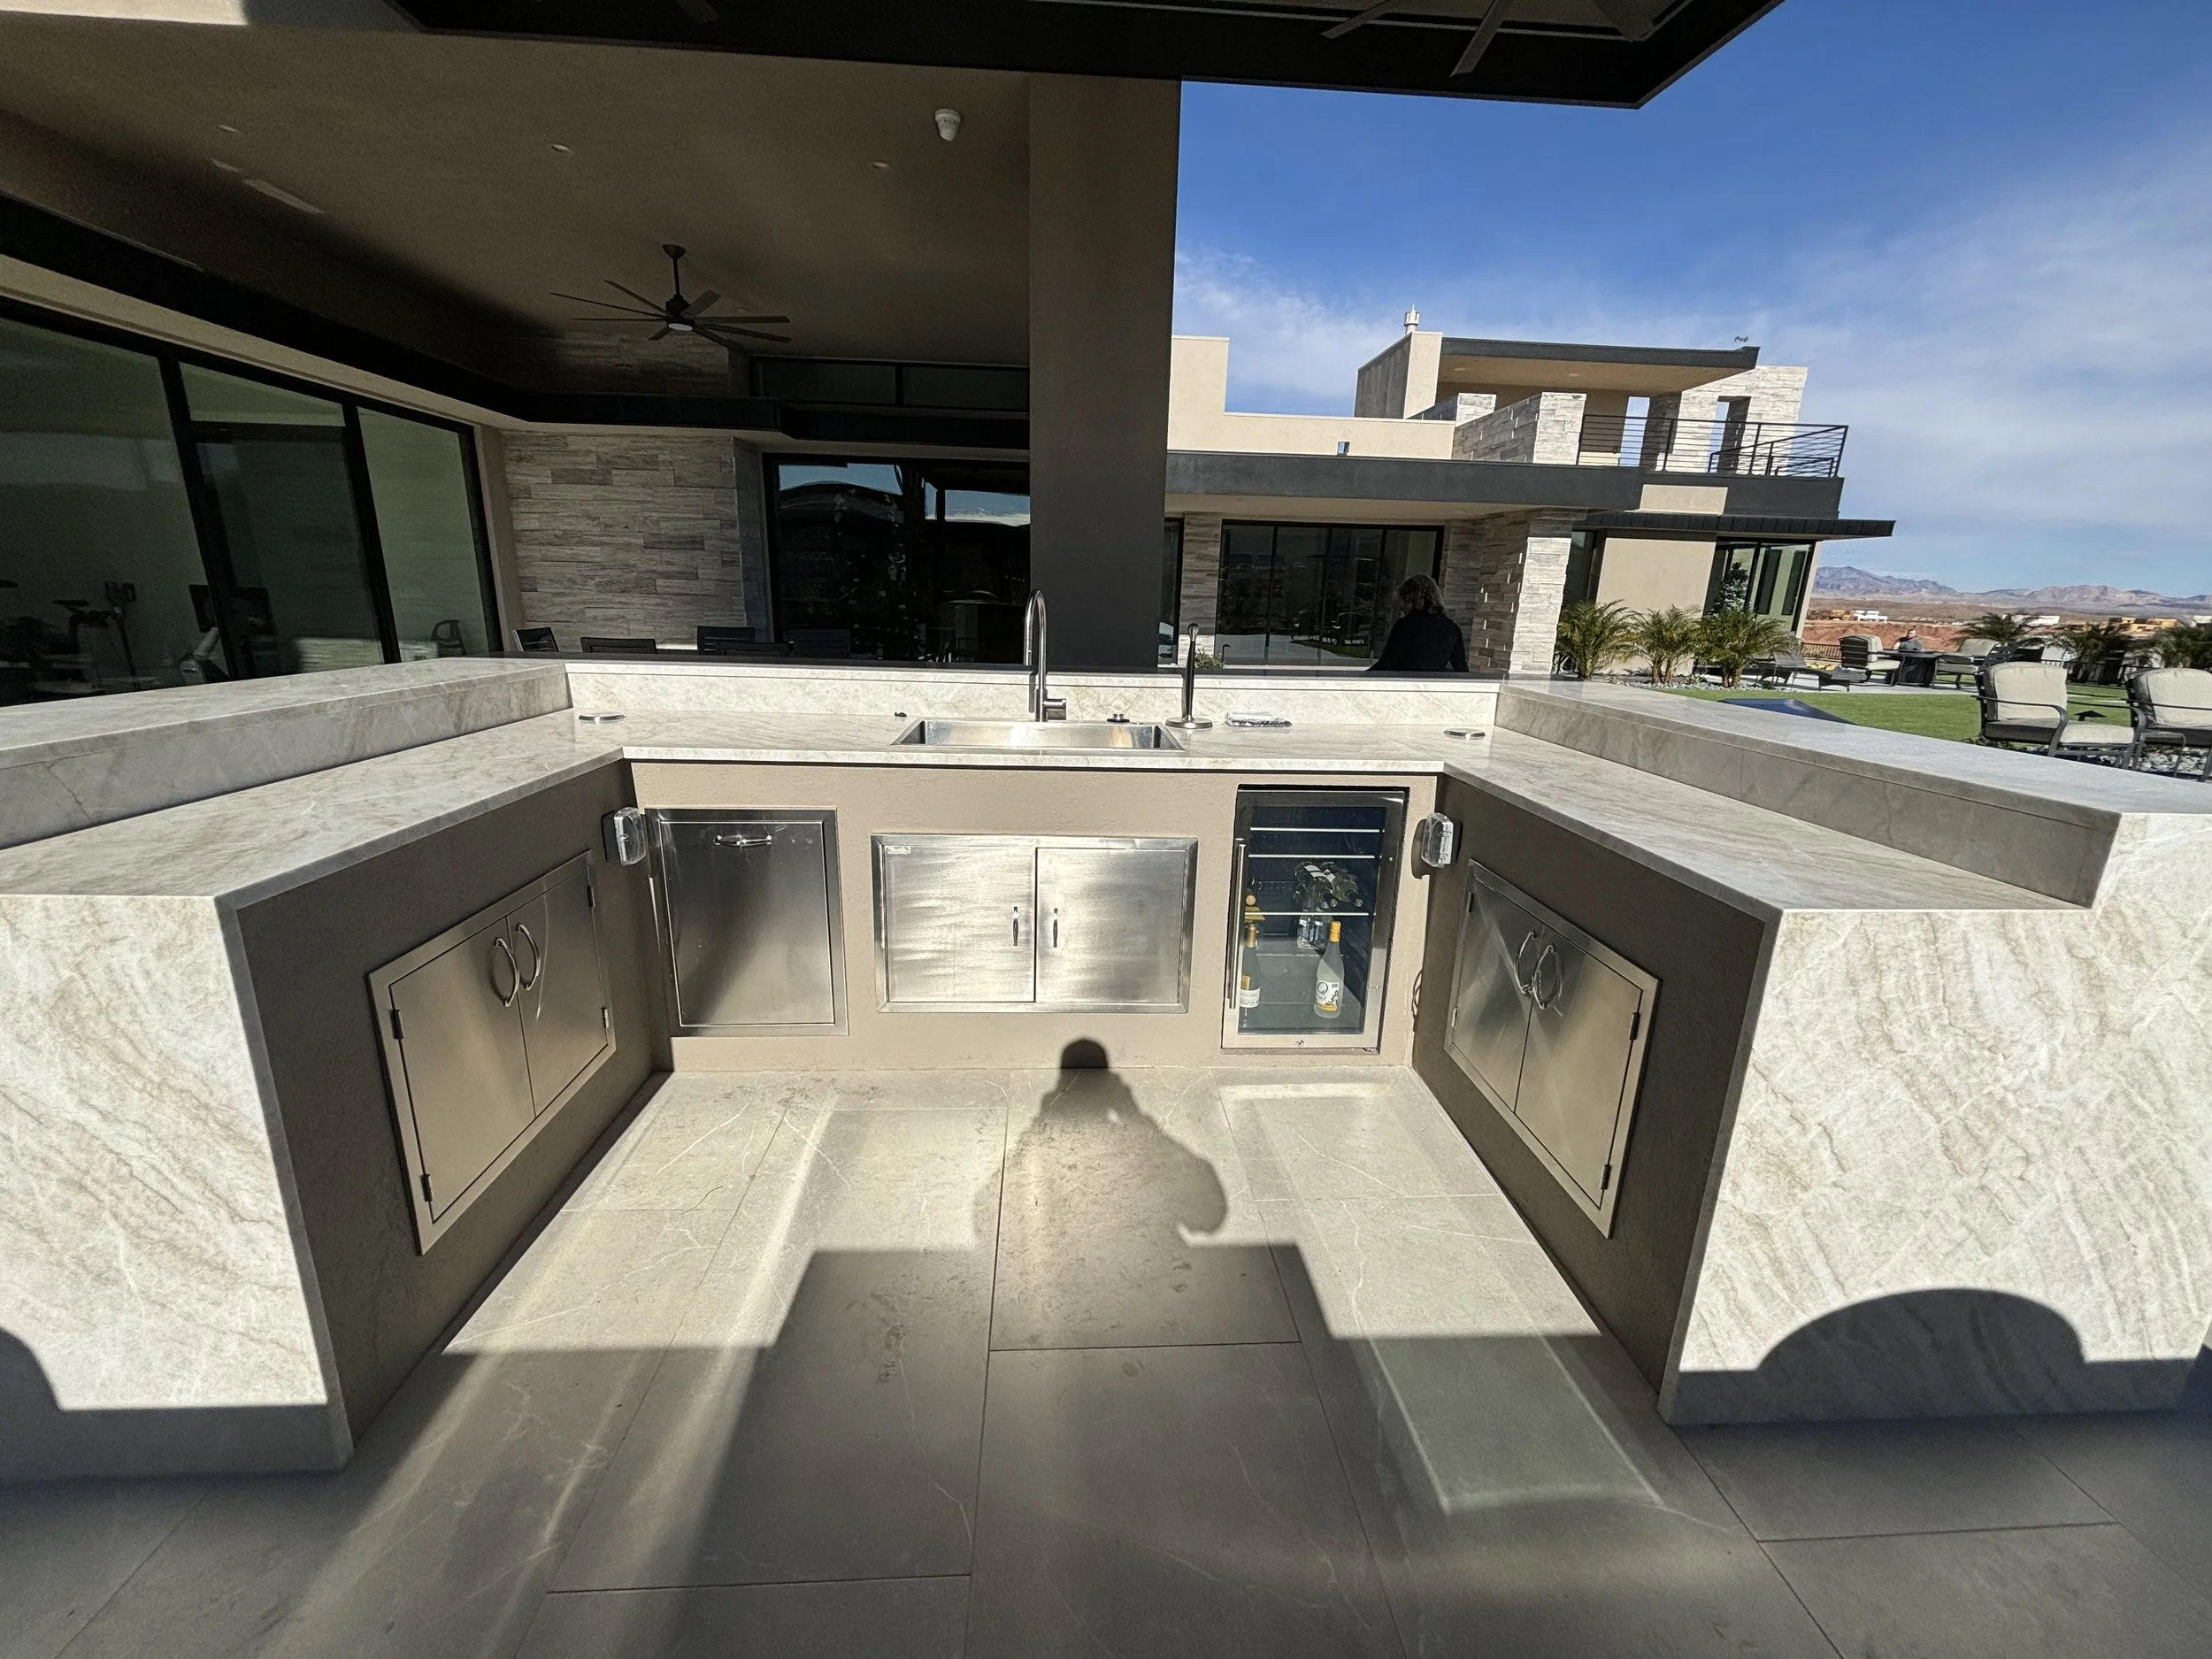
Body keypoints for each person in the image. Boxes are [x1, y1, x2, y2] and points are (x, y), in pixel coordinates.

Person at [1369, 573, 1467, 672]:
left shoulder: (1405, 625)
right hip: (1432, 684)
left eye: (1404, 601)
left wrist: (1360, 677)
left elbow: (1387, 663)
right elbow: (1461, 669)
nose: (1402, 608)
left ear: (1412, 599)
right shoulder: (1452, 628)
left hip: (1404, 683)